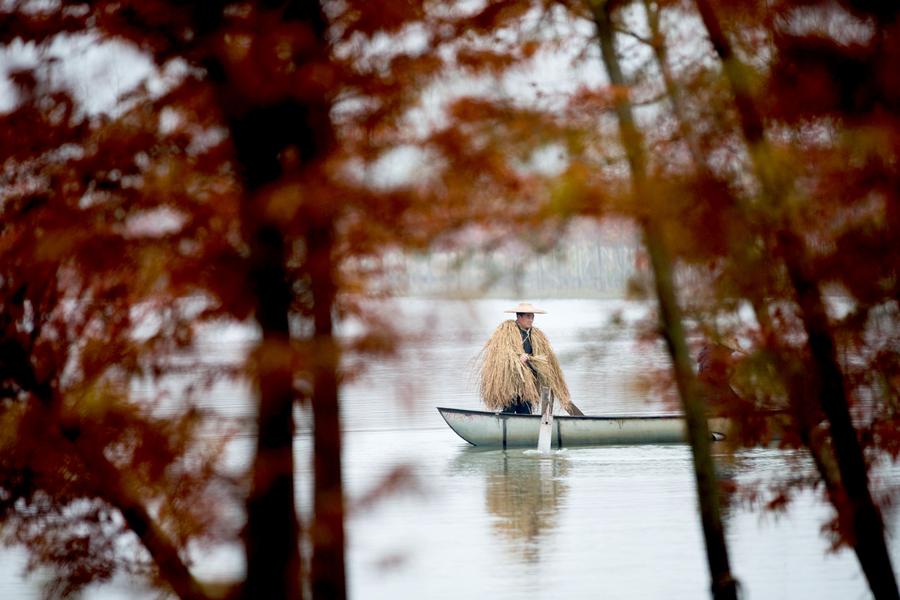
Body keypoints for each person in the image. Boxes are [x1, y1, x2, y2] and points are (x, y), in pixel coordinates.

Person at [477, 302, 583, 416]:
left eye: (532, 317)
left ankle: (526, 425)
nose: (531, 320)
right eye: (528, 316)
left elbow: (545, 357)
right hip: (511, 380)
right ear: (519, 317)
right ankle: (504, 423)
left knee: (526, 410)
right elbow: (501, 352)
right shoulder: (506, 330)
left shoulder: (536, 334)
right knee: (510, 408)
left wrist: (544, 368)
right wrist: (517, 358)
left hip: (529, 382)